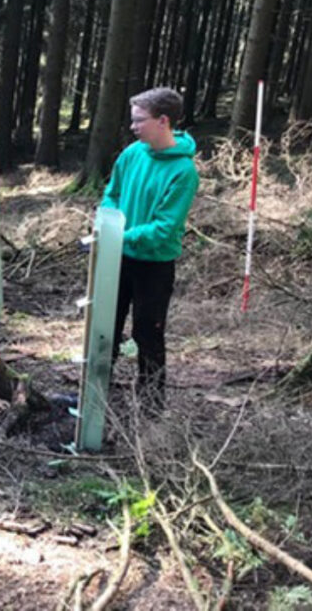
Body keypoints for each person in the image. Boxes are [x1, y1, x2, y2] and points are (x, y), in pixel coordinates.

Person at [101, 87, 199, 413]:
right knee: (105, 328)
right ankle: (96, 395)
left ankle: (152, 407)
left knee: (148, 333)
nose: (133, 126)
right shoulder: (132, 154)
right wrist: (107, 219)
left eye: (139, 120)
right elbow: (112, 194)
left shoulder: (184, 172)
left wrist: (121, 234)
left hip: (154, 265)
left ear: (163, 121)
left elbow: (164, 228)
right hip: (118, 257)